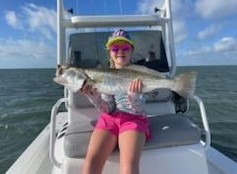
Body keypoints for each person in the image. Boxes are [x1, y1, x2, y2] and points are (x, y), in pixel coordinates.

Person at [80, 29, 150, 174]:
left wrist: (134, 97)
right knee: (90, 164)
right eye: (115, 48)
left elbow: (140, 109)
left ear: (131, 51)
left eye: (125, 48)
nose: (120, 51)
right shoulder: (105, 75)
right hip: (109, 120)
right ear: (109, 52)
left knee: (128, 168)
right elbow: (108, 108)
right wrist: (95, 98)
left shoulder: (140, 73)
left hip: (134, 119)